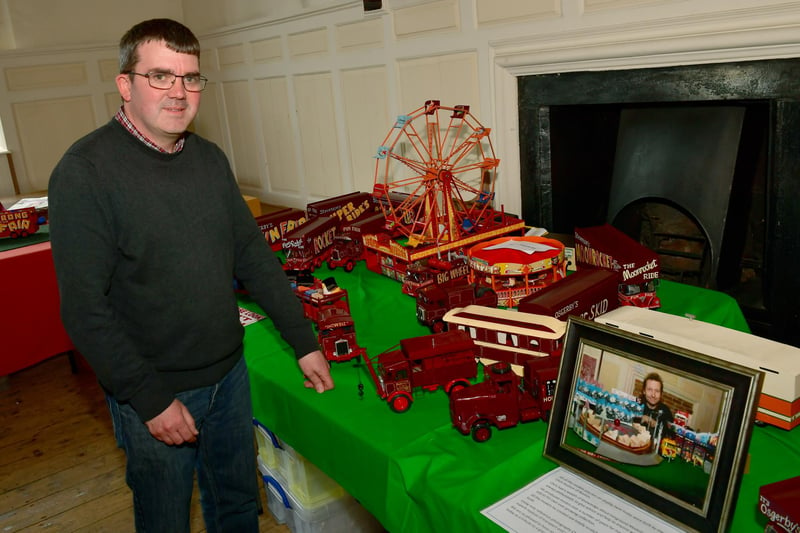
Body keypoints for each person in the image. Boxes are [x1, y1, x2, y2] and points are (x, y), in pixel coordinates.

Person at [47, 18, 334, 533]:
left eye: (190, 78)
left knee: (239, 507)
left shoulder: (208, 158)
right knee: (165, 518)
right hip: (155, 393)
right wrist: (151, 400)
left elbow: (252, 256)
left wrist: (303, 340)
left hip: (229, 376)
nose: (178, 92)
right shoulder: (84, 172)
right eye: (160, 76)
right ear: (125, 84)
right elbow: (85, 310)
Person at [639, 372, 673, 437]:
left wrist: (655, 424)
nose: (653, 395)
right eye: (649, 389)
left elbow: (670, 435)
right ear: (644, 391)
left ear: (661, 394)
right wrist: (640, 418)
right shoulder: (637, 405)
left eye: (657, 391)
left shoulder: (666, 412)